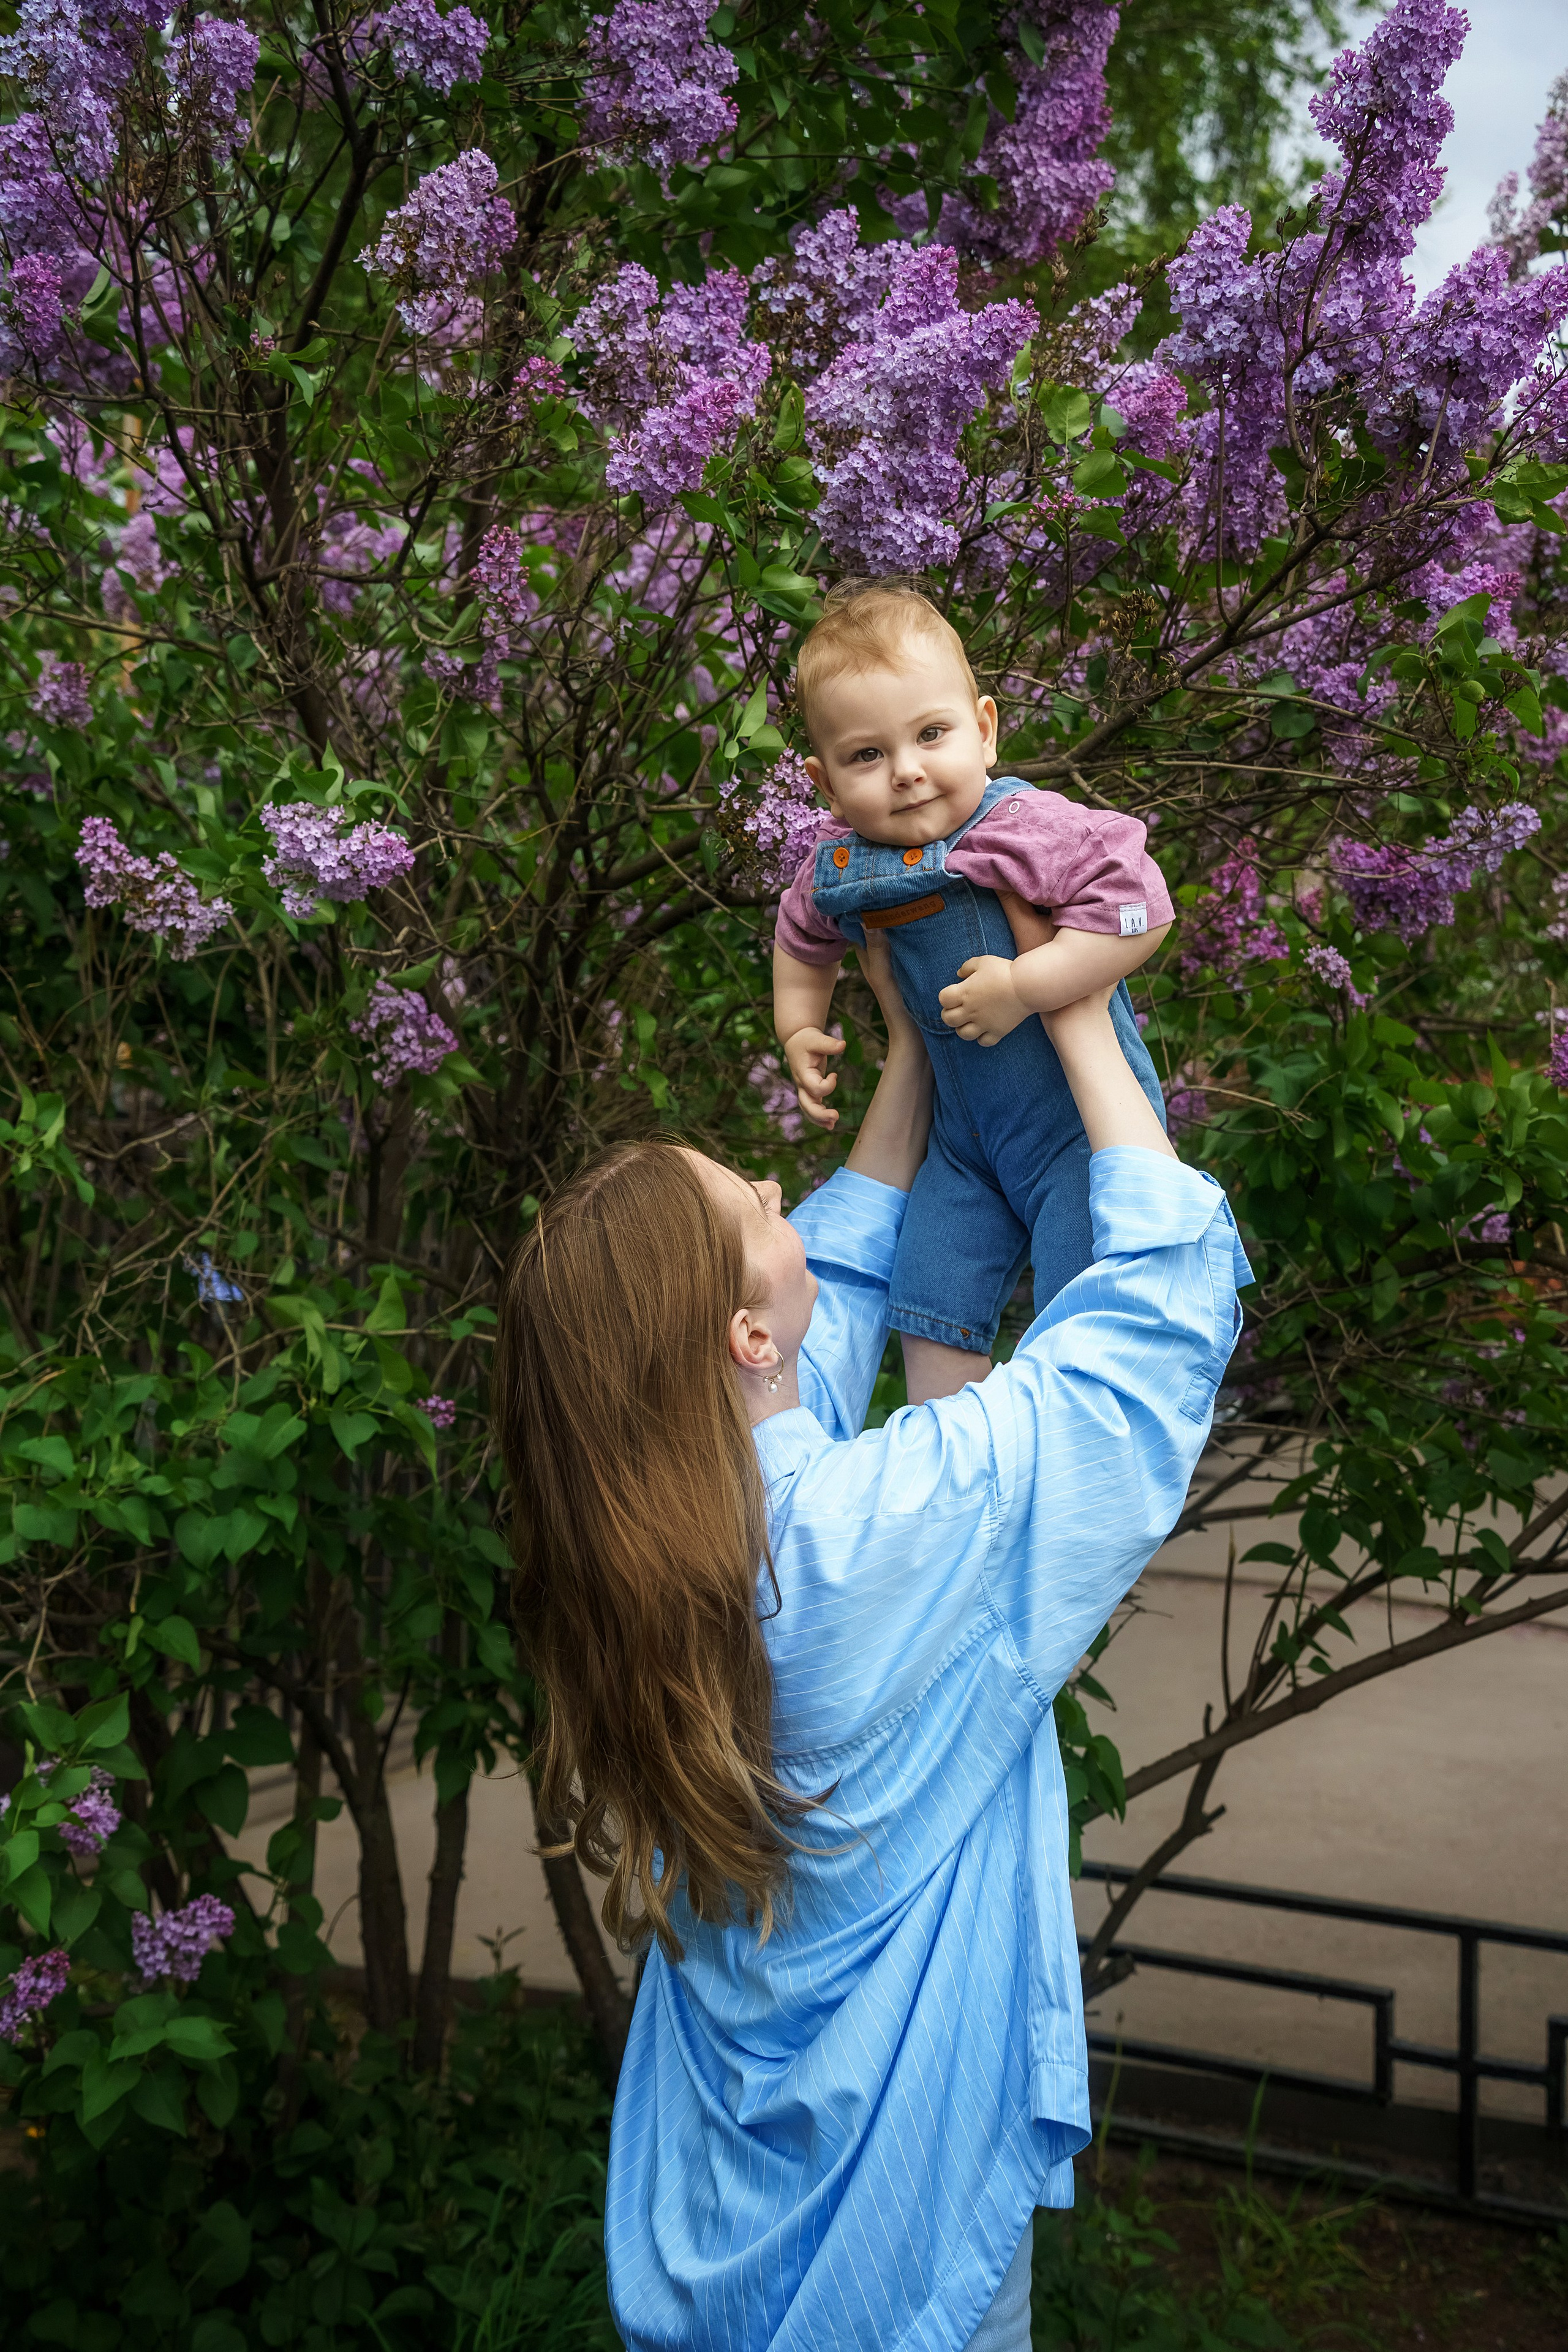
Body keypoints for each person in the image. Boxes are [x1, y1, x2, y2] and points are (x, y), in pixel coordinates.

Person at [494, 933, 1250, 2352]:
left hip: (713, 2224)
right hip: (890, 2240)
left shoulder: (646, 1562)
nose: (787, 1193)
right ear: (737, 1337)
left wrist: (908, 1047)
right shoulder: (875, 1532)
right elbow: (1149, 1335)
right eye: (753, 1201)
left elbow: (821, 1288)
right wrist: (1077, 1013)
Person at [772, 576, 1175, 1406]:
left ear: (985, 731)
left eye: (931, 734)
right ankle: (949, 1450)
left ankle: (1055, 1461)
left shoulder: (1023, 827)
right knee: (928, 1301)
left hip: (1078, 1128)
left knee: (1082, 1306)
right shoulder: (841, 866)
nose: (909, 773)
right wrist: (798, 1026)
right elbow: (801, 938)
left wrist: (1027, 985)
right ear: (824, 783)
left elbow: (1141, 910)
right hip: (962, 1147)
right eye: (867, 755)